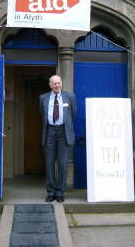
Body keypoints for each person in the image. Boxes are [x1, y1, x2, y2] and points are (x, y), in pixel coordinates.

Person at [39, 75, 77, 203]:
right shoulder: (43, 98)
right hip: (49, 131)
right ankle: (50, 192)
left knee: (63, 165)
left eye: (59, 83)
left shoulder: (70, 97)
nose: (57, 86)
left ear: (61, 84)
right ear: (50, 85)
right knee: (49, 164)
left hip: (63, 132)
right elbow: (42, 115)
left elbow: (73, 114)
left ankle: (60, 192)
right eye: (54, 83)